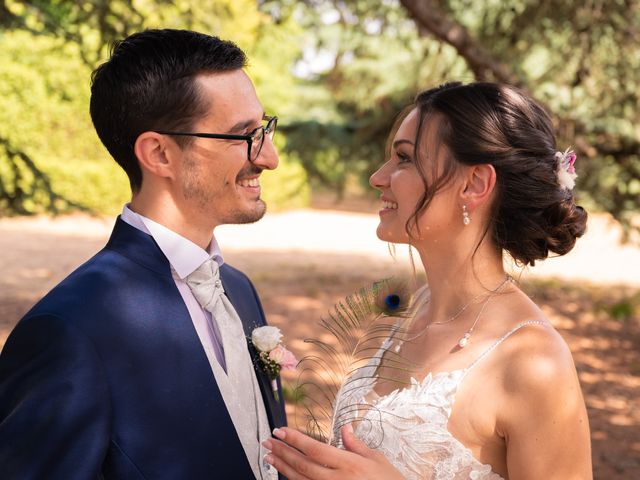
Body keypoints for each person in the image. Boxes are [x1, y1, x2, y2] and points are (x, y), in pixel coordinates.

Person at [263, 82, 592, 479]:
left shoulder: (533, 362)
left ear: (474, 185)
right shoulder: (413, 309)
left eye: (404, 159)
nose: (377, 178)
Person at [0, 29, 285, 479]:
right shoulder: (69, 331)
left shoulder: (239, 289)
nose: (269, 157)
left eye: (264, 127)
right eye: (242, 136)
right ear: (159, 154)